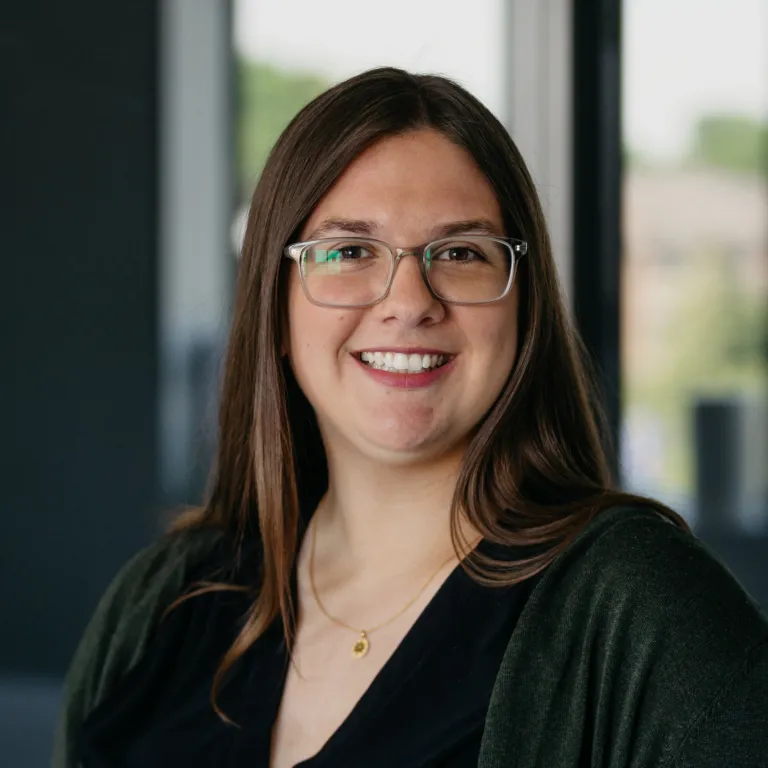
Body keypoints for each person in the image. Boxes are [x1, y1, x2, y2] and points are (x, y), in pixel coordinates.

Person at [53, 67, 768, 768]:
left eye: (459, 252)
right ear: (274, 307)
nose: (409, 300)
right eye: (350, 251)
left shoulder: (644, 611)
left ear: (524, 309)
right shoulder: (164, 601)